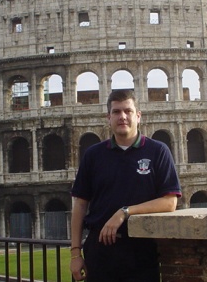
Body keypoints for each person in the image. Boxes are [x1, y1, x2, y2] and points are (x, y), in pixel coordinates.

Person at [70, 89, 182, 282]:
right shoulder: (93, 154)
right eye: (116, 112)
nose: (122, 116)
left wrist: (124, 212)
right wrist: (75, 254)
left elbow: (170, 202)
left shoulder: (158, 151)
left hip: (141, 251)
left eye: (128, 111)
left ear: (138, 116)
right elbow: (80, 204)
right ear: (108, 118)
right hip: (100, 252)